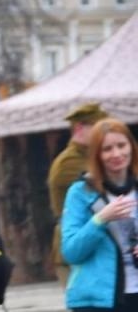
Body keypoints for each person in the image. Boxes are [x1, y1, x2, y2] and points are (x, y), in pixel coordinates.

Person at [61, 118, 138, 312]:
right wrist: (100, 219)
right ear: (97, 155)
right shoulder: (81, 193)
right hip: (94, 301)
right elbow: (70, 250)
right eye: (107, 149)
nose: (116, 154)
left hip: (134, 297)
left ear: (131, 146)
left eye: (121, 145)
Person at [49, 102, 110, 286]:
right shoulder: (70, 162)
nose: (104, 133)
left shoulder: (90, 156)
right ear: (79, 129)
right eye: (97, 128)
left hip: (91, 242)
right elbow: (107, 185)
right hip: (74, 248)